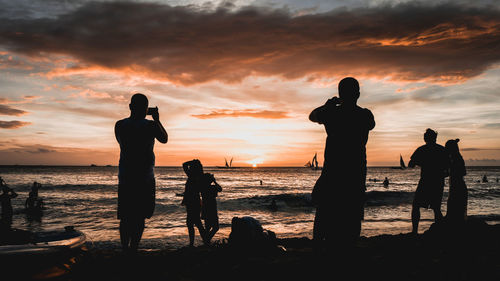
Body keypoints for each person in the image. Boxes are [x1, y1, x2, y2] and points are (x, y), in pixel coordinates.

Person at [309, 77, 375, 252]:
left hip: (333, 173)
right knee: (352, 216)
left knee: (324, 213)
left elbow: (312, 116)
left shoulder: (331, 113)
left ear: (339, 94)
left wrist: (328, 105)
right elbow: (371, 124)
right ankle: (347, 250)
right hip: (355, 173)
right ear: (358, 94)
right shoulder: (365, 115)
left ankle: (319, 248)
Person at [115, 93, 168, 253]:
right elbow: (164, 138)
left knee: (126, 217)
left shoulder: (120, 125)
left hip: (126, 177)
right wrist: (157, 119)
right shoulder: (150, 126)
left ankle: (126, 249)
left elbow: (122, 142)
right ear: (146, 109)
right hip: (145, 177)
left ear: (130, 107)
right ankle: (133, 249)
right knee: (139, 217)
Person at [408, 128, 449, 234]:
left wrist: (421, 163)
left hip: (425, 182)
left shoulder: (421, 149)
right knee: (436, 208)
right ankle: (439, 231)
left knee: (416, 205)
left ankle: (415, 231)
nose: (424, 137)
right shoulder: (442, 150)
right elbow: (448, 169)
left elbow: (411, 164)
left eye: (425, 136)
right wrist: (440, 175)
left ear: (426, 138)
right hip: (438, 182)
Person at [181, 159, 208, 246]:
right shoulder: (200, 176)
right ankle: (205, 241)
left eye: (192, 166)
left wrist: (191, 161)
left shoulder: (192, 176)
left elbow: (184, 164)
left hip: (192, 201)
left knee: (192, 223)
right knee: (196, 222)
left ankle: (195, 243)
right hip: (195, 201)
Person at [445, 139, 468, 223]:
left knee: (454, 207)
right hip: (457, 186)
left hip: (457, 186)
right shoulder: (455, 157)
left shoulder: (456, 158)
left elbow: (462, 172)